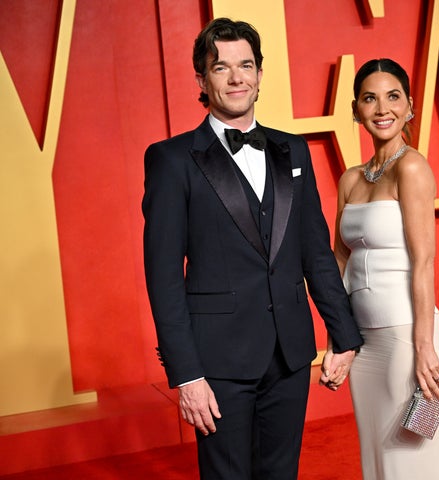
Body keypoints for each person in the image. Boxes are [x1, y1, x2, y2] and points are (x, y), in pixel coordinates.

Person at [142, 18, 362, 480]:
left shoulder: (291, 150)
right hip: (217, 361)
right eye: (221, 68)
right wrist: (186, 375)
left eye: (246, 65)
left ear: (260, 74)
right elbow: (163, 277)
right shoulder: (171, 159)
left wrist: (343, 335)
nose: (237, 77)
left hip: (289, 353)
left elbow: (315, 252)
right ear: (202, 79)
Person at [324, 58, 439, 479]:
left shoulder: (413, 167)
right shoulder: (350, 179)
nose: (382, 108)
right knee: (380, 460)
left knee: (417, 454)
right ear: (356, 110)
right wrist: (339, 341)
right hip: (365, 344)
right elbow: (339, 265)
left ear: (410, 107)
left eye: (393, 97)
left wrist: (425, 346)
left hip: (408, 337)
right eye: (370, 98)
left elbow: (424, 262)